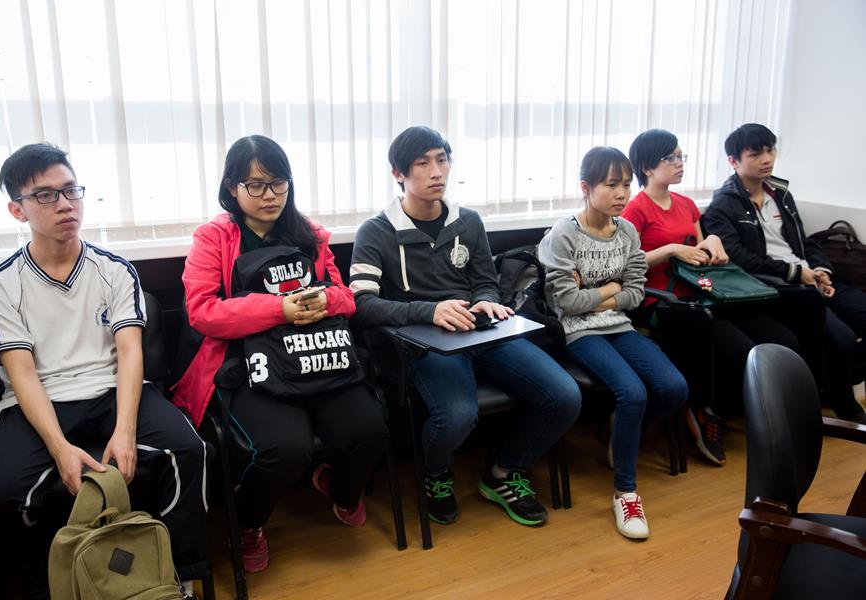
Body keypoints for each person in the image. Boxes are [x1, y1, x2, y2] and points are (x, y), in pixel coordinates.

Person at [0, 143, 208, 599]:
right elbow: (22, 375)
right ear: (17, 210)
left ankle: (178, 577)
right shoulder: (0, 285)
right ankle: (40, 582)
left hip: (111, 391)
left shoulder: (115, 270)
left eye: (71, 190)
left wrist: (125, 430)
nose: (64, 204)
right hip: (41, 401)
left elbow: (130, 355)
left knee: (188, 449)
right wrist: (60, 447)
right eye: (45, 195)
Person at [171, 135, 387, 573]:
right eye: (256, 185)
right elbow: (203, 311)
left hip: (315, 355)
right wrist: (278, 309)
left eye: (279, 183)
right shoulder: (214, 238)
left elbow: (345, 296)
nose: (269, 195)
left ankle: (339, 490)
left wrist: (325, 300)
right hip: (245, 366)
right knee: (284, 447)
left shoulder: (309, 234)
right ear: (232, 187)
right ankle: (247, 522)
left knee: (369, 427)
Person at [349, 126, 582, 527]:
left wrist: (488, 299)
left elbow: (485, 281)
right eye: (422, 163)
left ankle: (503, 471)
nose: (436, 171)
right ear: (398, 174)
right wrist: (429, 311)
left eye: (442, 160)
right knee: (457, 416)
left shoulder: (468, 221)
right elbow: (362, 305)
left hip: (481, 332)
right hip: (425, 344)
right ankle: (436, 474)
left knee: (565, 396)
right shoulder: (376, 231)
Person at [538, 146, 687, 540]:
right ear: (586, 187)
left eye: (626, 184)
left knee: (674, 388)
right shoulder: (563, 234)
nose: (622, 193)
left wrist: (601, 293)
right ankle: (626, 492)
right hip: (577, 331)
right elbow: (567, 304)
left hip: (619, 326)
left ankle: (623, 429)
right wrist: (612, 288)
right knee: (632, 393)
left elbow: (635, 293)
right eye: (611, 184)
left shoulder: (627, 232)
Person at [624, 129, 800, 464]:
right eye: (671, 158)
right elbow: (627, 264)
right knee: (737, 347)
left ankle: (757, 412)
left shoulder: (687, 205)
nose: (680, 164)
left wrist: (713, 243)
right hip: (659, 299)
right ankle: (703, 410)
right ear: (647, 167)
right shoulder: (636, 210)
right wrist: (671, 250)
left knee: (780, 338)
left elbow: (702, 250)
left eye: (681, 157)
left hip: (702, 292)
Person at [701, 123, 866, 424]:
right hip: (780, 285)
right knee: (842, 338)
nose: (767, 159)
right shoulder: (723, 205)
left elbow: (803, 242)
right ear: (733, 161)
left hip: (810, 277)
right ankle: (844, 404)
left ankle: (830, 382)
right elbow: (740, 260)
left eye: (770, 150)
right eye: (755, 154)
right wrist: (796, 273)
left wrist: (819, 269)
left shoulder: (780, 192)